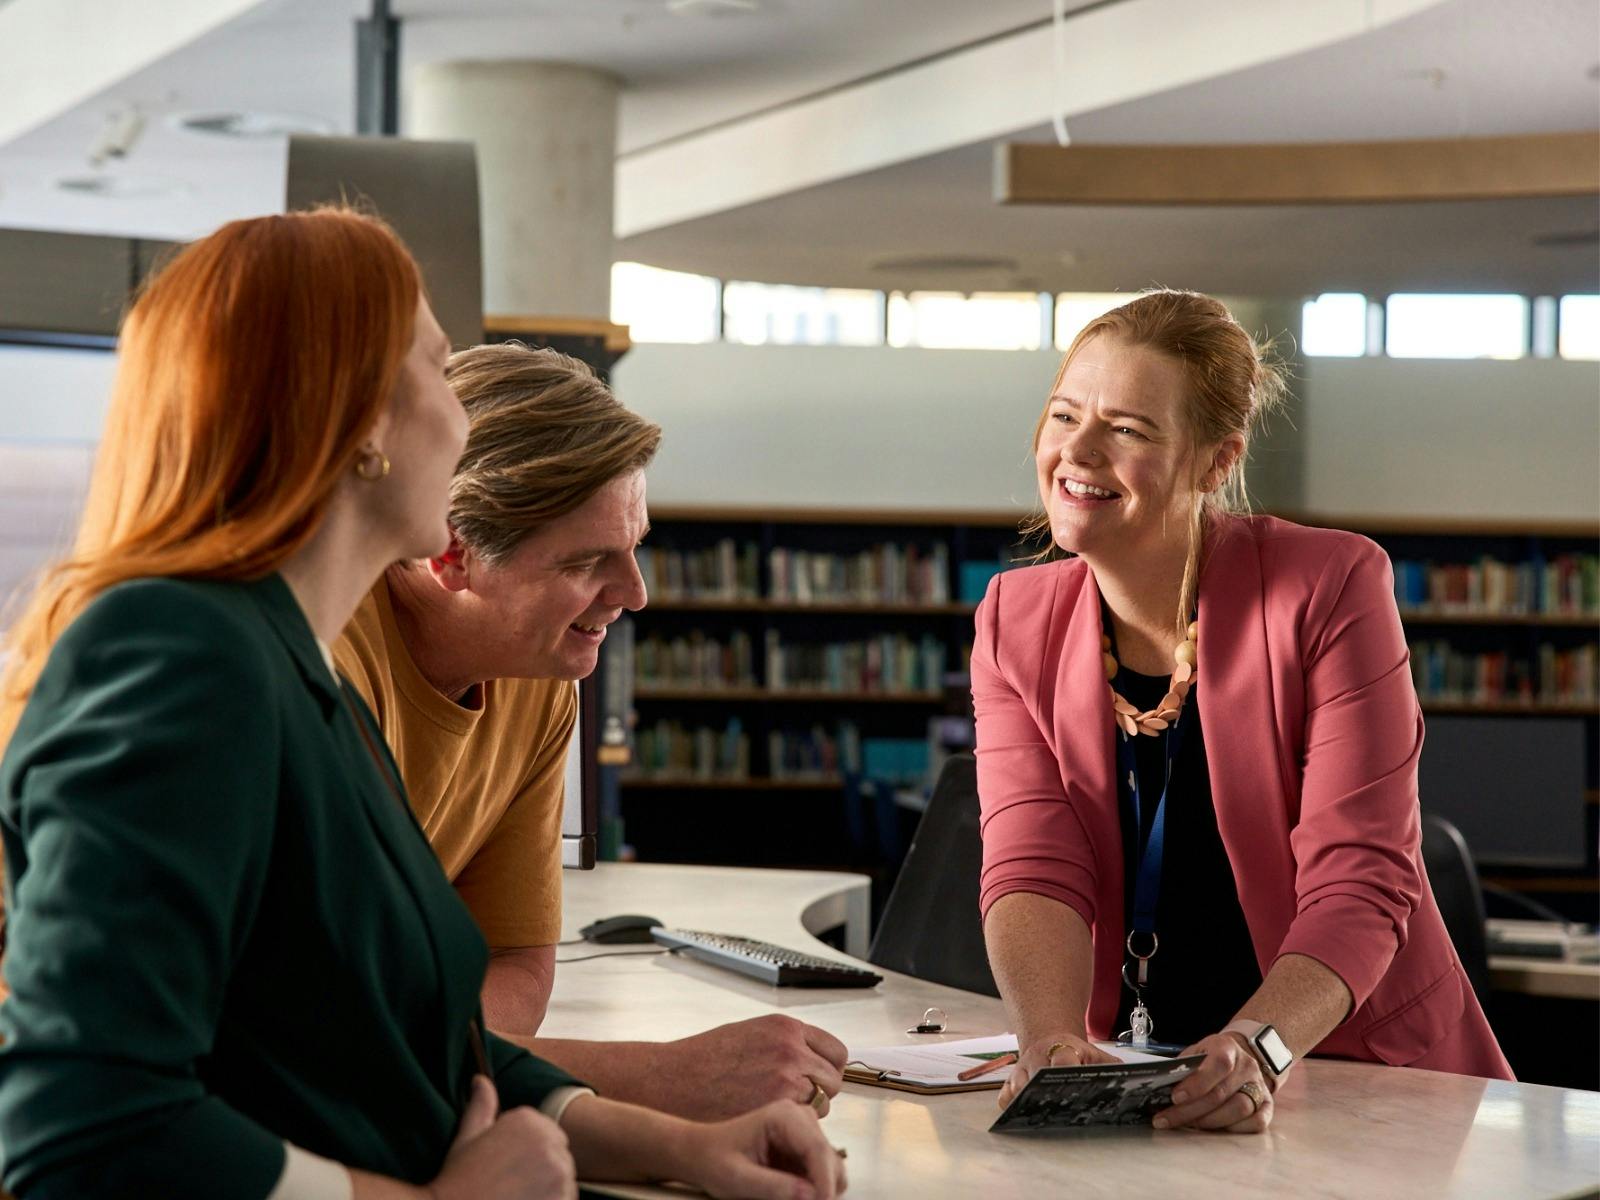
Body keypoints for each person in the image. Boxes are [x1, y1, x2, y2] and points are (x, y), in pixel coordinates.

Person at [0, 208, 846, 1200]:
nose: (464, 409)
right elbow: (82, 1125)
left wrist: (673, 1145)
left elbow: (402, 1042)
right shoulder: (180, 649)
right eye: (441, 369)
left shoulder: (290, 662)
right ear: (363, 424)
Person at [972, 289, 1511, 1135]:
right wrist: (1047, 1041)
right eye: (1064, 413)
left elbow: (1361, 878)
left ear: (1215, 462)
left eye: (1128, 429)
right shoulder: (1012, 618)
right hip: (1143, 1079)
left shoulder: (1329, 586)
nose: (1076, 450)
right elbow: (1032, 859)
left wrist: (1258, 1047)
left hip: (1351, 1074)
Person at [333, 341, 849, 1120]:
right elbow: (322, 1032)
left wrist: (457, 1071)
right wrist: (657, 1078)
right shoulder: (322, 662)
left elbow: (513, 959)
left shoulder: (540, 679)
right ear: (451, 553)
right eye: (588, 562)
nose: (635, 594)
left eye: (635, 548)